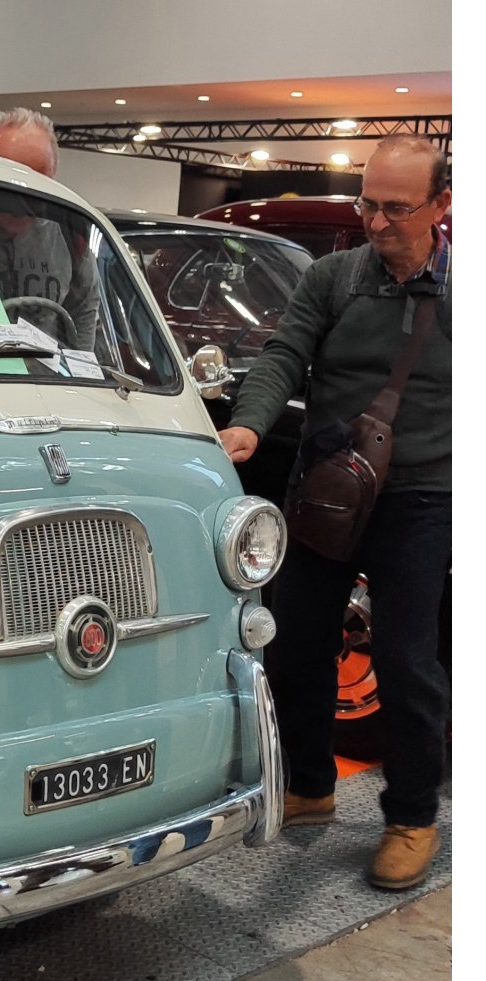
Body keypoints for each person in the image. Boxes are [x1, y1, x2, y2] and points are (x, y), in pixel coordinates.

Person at [218, 135, 451, 890]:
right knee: (296, 644)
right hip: (326, 490)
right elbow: (285, 354)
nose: (377, 222)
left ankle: (413, 816)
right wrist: (250, 423)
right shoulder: (332, 278)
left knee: (407, 662)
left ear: (442, 205)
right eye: (368, 203)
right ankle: (309, 787)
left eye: (395, 208)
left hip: (421, 498)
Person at [0, 108, 100, 350]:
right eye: (7, 181)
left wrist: (82, 370)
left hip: (42, 382)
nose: (23, 198)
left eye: (38, 182)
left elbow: (84, 305)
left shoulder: (70, 232)